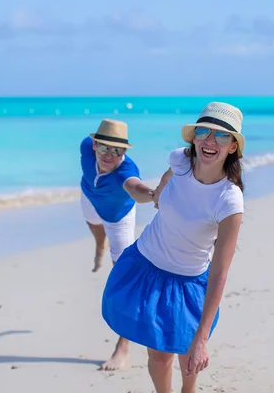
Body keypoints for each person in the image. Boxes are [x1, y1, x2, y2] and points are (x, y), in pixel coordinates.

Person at [101, 102, 246, 393]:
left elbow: (219, 273)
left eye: (220, 136)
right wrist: (156, 196)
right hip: (145, 266)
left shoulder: (229, 201)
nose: (209, 141)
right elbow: (163, 189)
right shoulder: (180, 161)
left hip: (188, 280)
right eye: (203, 132)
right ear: (193, 137)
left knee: (188, 351)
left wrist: (202, 339)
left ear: (232, 147)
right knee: (158, 354)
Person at [79, 118, 156, 371]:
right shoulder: (85, 146)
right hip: (90, 196)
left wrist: (154, 195)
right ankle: (100, 244)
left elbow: (136, 189)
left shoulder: (126, 171)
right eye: (104, 147)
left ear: (124, 152)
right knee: (92, 222)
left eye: (117, 150)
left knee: (125, 285)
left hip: (117, 218)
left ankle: (122, 347)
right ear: (94, 145)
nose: (110, 155)